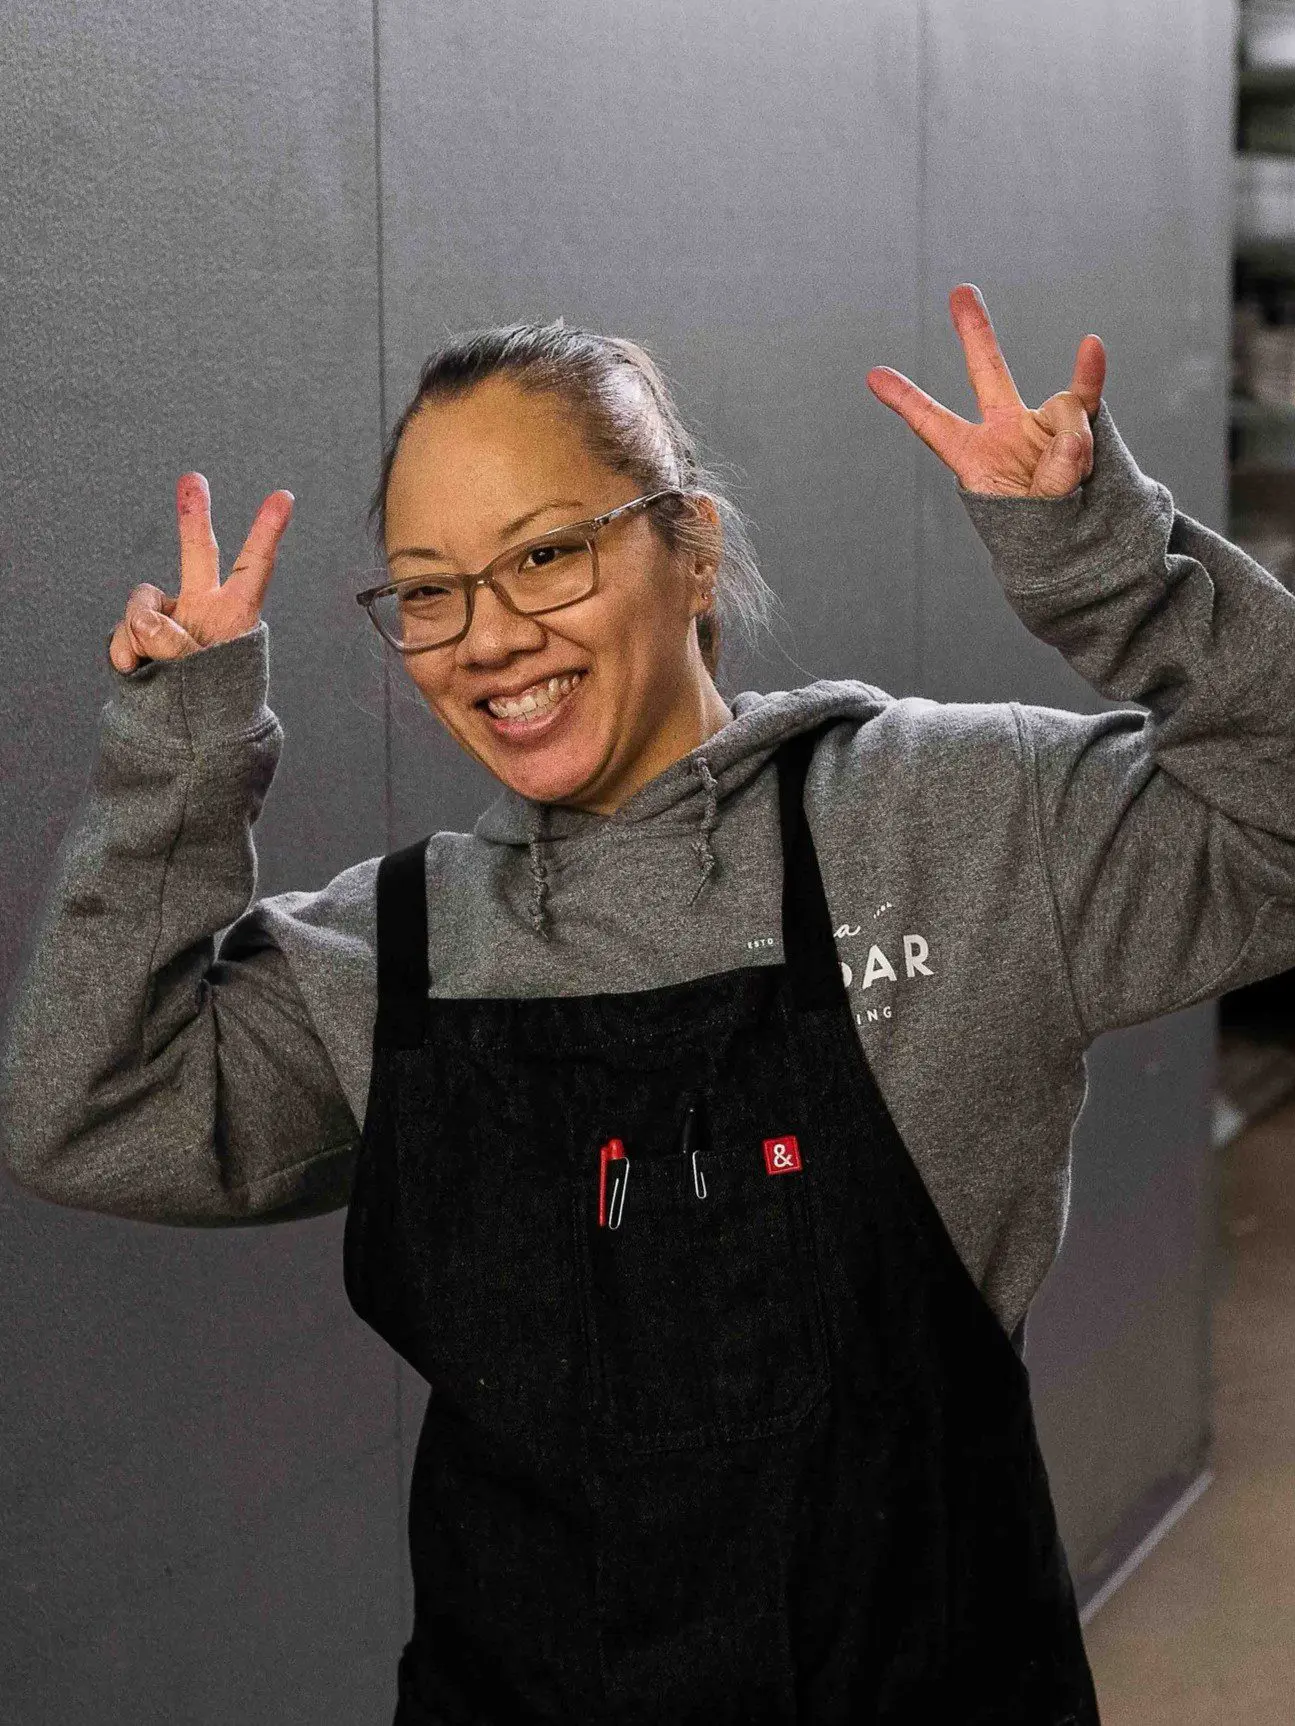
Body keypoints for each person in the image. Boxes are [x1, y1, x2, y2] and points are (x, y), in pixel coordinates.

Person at [3, 282, 1294, 1724]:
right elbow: (85, 1111)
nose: (485, 636)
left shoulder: (947, 825)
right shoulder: (400, 956)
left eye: (546, 554)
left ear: (692, 551)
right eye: (429, 587)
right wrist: (178, 760)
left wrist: (1114, 574)